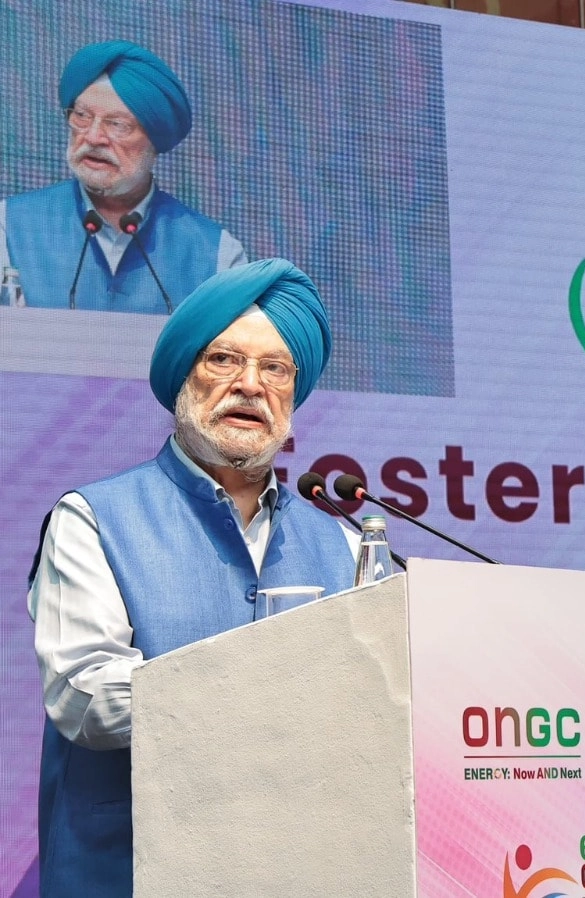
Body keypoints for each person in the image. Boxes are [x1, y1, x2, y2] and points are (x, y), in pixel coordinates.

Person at [27, 259, 355, 897]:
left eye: (275, 368)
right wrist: (271, 695)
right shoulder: (93, 519)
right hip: (130, 874)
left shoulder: (343, 542)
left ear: (294, 394)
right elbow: (85, 697)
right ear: (184, 377)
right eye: (224, 360)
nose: (250, 385)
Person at [1, 41, 245, 313]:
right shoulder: (8, 226)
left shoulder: (217, 255)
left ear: (154, 141)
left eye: (118, 125)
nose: (93, 137)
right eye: (82, 116)